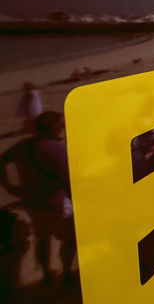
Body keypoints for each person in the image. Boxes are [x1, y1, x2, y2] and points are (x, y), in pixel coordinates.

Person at [0, 111, 77, 287]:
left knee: (42, 238)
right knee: (70, 237)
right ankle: (66, 272)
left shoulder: (23, 145)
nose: (63, 127)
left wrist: (9, 187)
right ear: (51, 127)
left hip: (32, 202)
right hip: (56, 202)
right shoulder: (55, 148)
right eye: (60, 124)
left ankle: (47, 274)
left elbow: (1, 161)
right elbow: (68, 179)